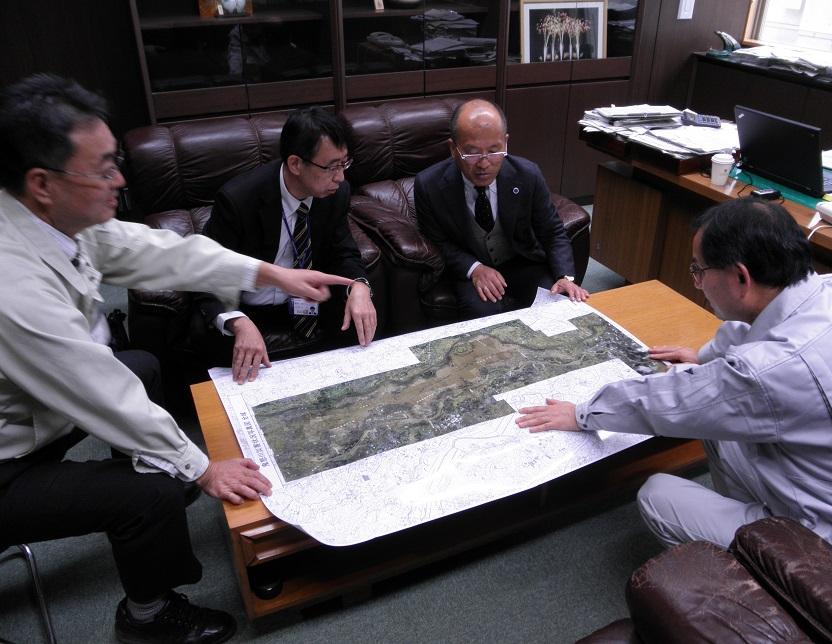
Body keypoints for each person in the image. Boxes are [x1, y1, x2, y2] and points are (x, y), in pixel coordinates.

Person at [0, 74, 352, 643]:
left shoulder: (51, 217)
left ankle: (148, 467)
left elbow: (157, 251)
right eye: (103, 169)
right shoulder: (11, 280)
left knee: (142, 367)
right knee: (154, 491)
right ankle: (147, 616)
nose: (119, 180)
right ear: (42, 182)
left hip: (36, 410)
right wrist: (201, 467)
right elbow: (96, 389)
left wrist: (268, 273)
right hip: (8, 460)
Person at [516, 197, 832, 561]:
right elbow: (754, 331)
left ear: (740, 277)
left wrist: (581, 413)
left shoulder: (768, 371)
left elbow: (670, 401)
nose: (697, 282)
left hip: (824, 539)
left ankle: (762, 568)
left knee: (658, 497)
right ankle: (744, 513)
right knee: (718, 423)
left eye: (699, 270)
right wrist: (704, 357)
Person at [194, 106, 376, 384]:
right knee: (213, 339)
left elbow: (344, 251)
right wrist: (238, 322)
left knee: (363, 318)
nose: (340, 177)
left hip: (309, 301)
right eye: (331, 167)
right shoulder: (239, 200)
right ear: (295, 164)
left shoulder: (336, 193)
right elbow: (207, 273)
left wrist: (360, 287)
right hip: (249, 306)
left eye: (344, 163)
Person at [415, 98, 588, 320]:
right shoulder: (429, 185)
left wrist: (566, 277)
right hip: (473, 267)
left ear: (505, 143)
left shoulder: (527, 175)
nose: (484, 163)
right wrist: (474, 268)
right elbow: (438, 242)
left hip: (522, 262)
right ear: (453, 149)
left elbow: (552, 232)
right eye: (472, 152)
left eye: (494, 151)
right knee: (484, 319)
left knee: (556, 306)